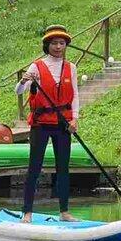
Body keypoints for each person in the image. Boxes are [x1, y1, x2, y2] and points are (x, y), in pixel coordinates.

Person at [16, 25, 79, 222]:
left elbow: (75, 95)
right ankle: (27, 212)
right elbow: (19, 91)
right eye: (54, 43)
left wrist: (75, 118)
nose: (58, 47)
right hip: (41, 124)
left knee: (63, 168)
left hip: (62, 123)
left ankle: (64, 212)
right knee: (34, 167)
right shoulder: (36, 66)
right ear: (47, 45)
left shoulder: (71, 68)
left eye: (61, 43)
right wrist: (23, 81)